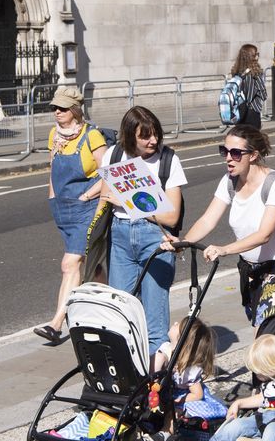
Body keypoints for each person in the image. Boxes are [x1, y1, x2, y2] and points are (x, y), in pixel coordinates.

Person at [161, 125, 275, 328]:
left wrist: (224, 249)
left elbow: (264, 234)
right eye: (225, 151)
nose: (228, 158)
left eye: (236, 153)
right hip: (248, 270)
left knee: (264, 334)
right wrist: (183, 243)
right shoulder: (229, 181)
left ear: (253, 155)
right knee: (262, 332)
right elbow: (208, 220)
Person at [100, 106, 186, 356]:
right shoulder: (114, 155)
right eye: (145, 136)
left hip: (155, 237)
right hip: (120, 234)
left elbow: (171, 216)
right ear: (129, 136)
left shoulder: (168, 160)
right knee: (119, 311)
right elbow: (105, 198)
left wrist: (129, 203)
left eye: (156, 134)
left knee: (154, 316)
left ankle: (154, 373)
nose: (153, 140)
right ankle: (126, 368)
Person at [33, 86, 106, 343]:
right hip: (62, 209)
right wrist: (52, 197)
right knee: (93, 266)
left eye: (62, 108)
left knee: (70, 264)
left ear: (74, 110)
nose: (57, 112)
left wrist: (87, 196)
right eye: (54, 107)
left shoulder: (92, 136)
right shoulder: (54, 134)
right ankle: (110, 306)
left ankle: (56, 325)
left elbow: (109, 174)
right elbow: (53, 167)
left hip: (87, 208)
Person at [143, 316, 226, 441]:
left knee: (173, 413)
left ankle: (163, 435)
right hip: (162, 391)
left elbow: (197, 394)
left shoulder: (189, 369)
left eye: (178, 325)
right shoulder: (165, 348)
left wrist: (179, 401)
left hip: (182, 396)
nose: (174, 323)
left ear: (182, 339)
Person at [231, 44, 267, 129]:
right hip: (252, 111)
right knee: (253, 136)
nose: (258, 56)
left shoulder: (237, 72)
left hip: (239, 111)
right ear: (252, 56)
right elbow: (263, 94)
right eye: (256, 54)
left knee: (242, 135)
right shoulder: (254, 73)